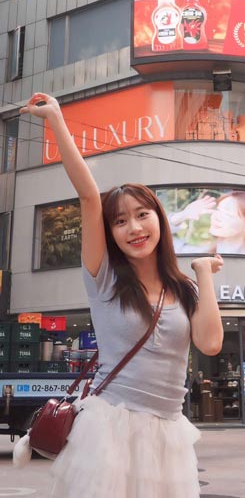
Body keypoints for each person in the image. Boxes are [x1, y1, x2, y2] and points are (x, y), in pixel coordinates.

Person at [16, 93, 224, 497]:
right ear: (110, 233)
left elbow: (211, 343)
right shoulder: (104, 279)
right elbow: (90, 197)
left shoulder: (186, 288)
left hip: (169, 436)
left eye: (142, 215)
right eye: (121, 221)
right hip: (111, 430)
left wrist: (202, 273)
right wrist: (56, 119)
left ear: (159, 219)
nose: (134, 228)